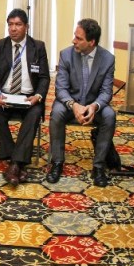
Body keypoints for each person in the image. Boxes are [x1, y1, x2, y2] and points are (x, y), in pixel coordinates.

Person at [48, 18, 119, 186]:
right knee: (56, 112)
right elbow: (61, 89)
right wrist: (74, 106)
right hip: (70, 103)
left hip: (94, 104)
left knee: (110, 115)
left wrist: (94, 106)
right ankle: (57, 163)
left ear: (92, 42)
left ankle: (99, 167)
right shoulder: (66, 55)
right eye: (75, 36)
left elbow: (106, 91)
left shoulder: (108, 59)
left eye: (79, 38)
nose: (74, 40)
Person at [0, 9, 50, 185]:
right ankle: (17, 162)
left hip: (28, 98)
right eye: (10, 24)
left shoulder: (38, 46)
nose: (13, 28)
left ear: (26, 27)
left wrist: (38, 95)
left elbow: (44, 77)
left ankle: (14, 164)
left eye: (18, 24)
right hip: (5, 97)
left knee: (35, 113)